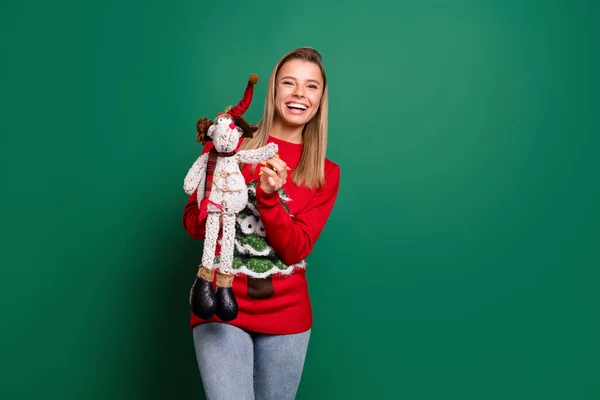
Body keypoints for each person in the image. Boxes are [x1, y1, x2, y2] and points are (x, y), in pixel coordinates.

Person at [182, 47, 340, 399]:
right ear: (274, 91)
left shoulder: (325, 174)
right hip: (221, 304)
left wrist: (268, 198)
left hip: (287, 317)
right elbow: (192, 224)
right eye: (290, 82)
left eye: (311, 86)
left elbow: (294, 248)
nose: (300, 93)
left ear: (319, 100)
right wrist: (218, 195)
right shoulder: (230, 146)